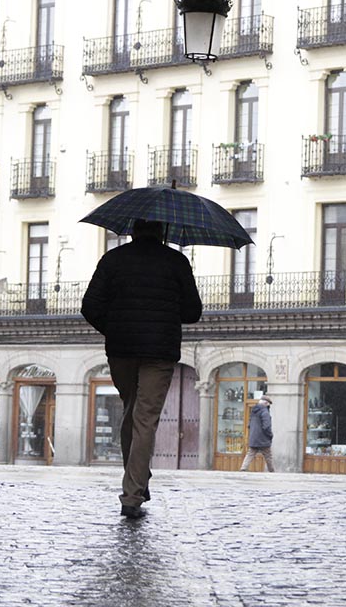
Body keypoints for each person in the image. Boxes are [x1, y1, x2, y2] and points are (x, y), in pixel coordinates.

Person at [81, 218, 202, 518]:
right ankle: (132, 494)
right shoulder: (176, 262)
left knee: (131, 411)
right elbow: (193, 312)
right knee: (145, 419)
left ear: (132, 230)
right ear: (162, 232)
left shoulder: (113, 260)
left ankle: (136, 481)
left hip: (121, 350)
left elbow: (89, 306)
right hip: (159, 352)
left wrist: (114, 328)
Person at [239, 395, 274, 472]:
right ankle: (272, 471)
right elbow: (266, 426)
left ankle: (243, 468)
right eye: (268, 405)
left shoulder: (253, 411)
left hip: (254, 438)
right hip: (263, 439)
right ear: (265, 403)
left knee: (250, 453)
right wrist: (270, 435)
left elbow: (249, 425)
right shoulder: (265, 412)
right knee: (268, 456)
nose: (269, 407)